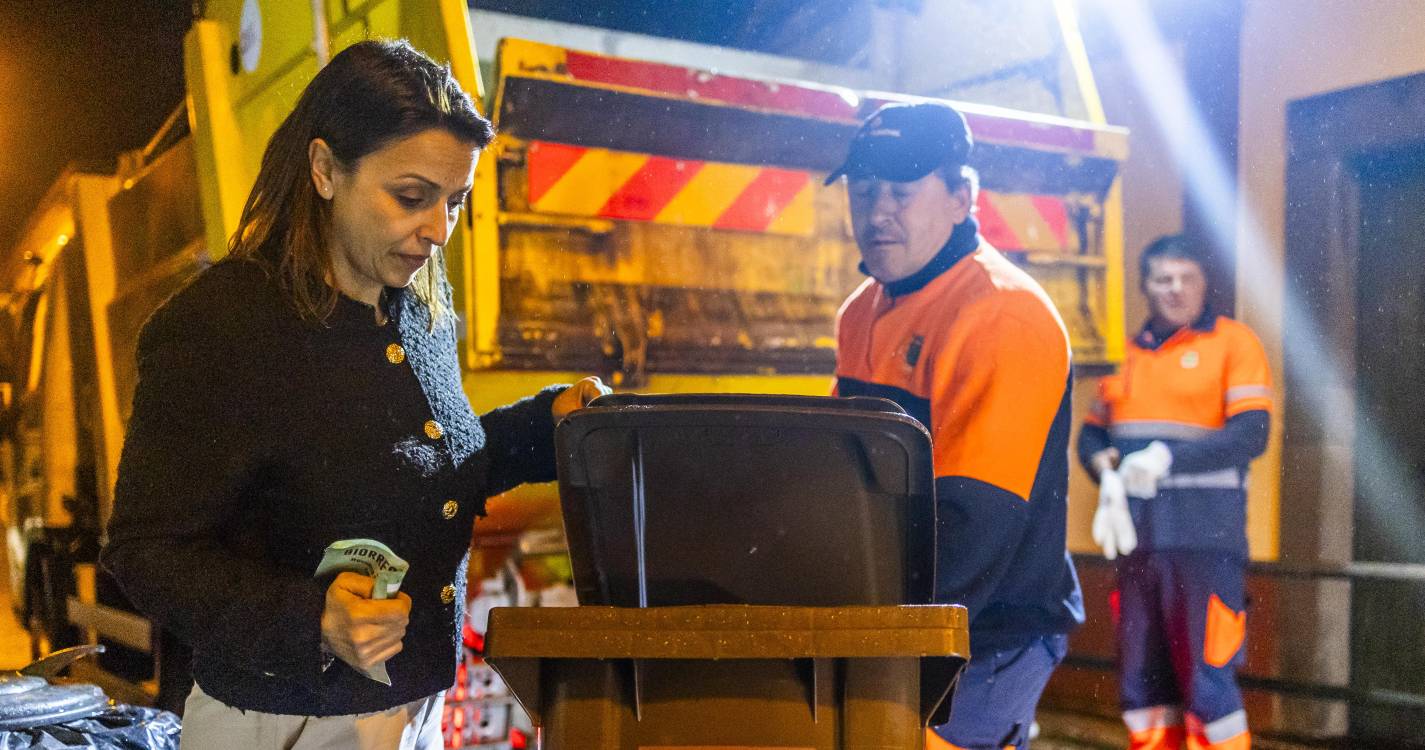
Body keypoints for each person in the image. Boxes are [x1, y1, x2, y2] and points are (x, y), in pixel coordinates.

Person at [101, 39, 608, 749]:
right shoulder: (221, 327)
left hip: (414, 713)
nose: (438, 231)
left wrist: (545, 424)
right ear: (324, 170)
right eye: (411, 197)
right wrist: (311, 622)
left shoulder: (419, 310)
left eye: (455, 202)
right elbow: (145, 549)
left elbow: (417, 469)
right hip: (282, 725)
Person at [828, 101, 1084, 750]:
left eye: (901, 191)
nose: (877, 212)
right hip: (898, 617)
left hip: (982, 635)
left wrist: (873, 646)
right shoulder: (862, 311)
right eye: (863, 191)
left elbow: (974, 527)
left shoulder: (1001, 315)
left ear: (960, 198)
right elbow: (836, 474)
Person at [1078, 234, 1271, 750]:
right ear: (1145, 286)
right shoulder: (1123, 355)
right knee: (1142, 689)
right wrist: (1104, 472)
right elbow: (1092, 435)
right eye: (1164, 279)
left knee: (1208, 686)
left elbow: (1252, 434)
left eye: (1187, 278)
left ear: (1204, 283)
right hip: (1138, 545)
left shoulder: (1234, 344)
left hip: (1206, 545)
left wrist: (1167, 457)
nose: (1176, 289)